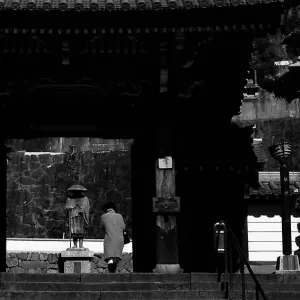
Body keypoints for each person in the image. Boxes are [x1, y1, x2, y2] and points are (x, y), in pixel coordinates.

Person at [100, 202, 126, 273]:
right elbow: (123, 227)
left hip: (109, 239)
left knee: (110, 258)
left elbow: (102, 227)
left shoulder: (104, 216)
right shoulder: (119, 216)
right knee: (116, 258)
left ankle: (111, 274)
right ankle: (114, 273)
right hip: (119, 239)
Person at [65, 184, 90, 249]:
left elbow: (86, 207)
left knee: (81, 231)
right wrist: (68, 208)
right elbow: (66, 207)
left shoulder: (85, 199)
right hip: (73, 216)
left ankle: (81, 245)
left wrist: (83, 210)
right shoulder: (70, 199)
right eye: (75, 191)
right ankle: (75, 245)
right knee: (74, 231)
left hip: (81, 216)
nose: (77, 192)